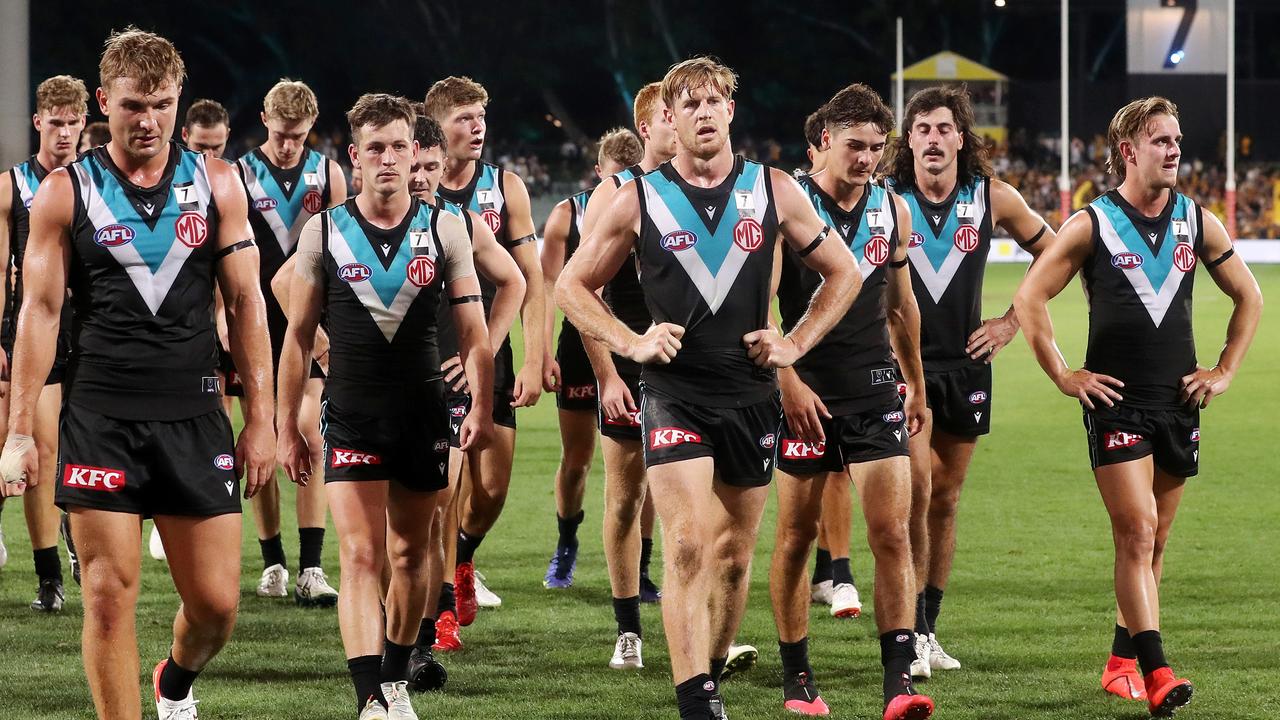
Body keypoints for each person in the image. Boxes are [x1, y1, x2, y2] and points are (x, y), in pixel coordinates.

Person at [557, 57, 860, 720]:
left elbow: (845, 273)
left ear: (730, 111)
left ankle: (710, 667)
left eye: (712, 101)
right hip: (673, 393)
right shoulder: (639, 195)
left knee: (731, 557)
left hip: (751, 397)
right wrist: (630, 344)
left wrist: (794, 344)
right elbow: (570, 286)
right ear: (668, 116)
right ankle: (697, 700)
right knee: (689, 541)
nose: (700, 113)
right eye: (686, 103)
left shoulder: (773, 189)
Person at [0, 28, 274, 720]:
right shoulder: (66, 192)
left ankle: (174, 680)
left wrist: (263, 422)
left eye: (159, 104)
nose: (147, 120)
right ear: (103, 103)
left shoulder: (217, 183)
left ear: (178, 100)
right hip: (100, 418)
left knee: (215, 607)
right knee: (106, 595)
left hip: (196, 415)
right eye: (131, 106)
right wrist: (19, 433)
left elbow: (246, 304)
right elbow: (38, 311)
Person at [1013, 96, 1261, 717]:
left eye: (1177, 140)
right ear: (1128, 150)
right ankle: (1158, 671)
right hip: (1116, 404)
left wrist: (1225, 370)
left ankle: (1121, 660)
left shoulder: (1197, 221)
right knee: (1137, 530)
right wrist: (1066, 376)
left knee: (1157, 542)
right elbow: (1031, 299)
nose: (1175, 150)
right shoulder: (1090, 223)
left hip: (1178, 402)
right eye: (1162, 140)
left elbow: (1249, 296)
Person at [276, 93, 493, 720]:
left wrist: (477, 404)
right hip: (351, 414)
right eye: (376, 149)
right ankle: (370, 695)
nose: (390, 159)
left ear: (415, 152)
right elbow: (296, 338)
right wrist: (287, 424)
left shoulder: (445, 227)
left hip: (425, 416)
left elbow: (475, 334)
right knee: (361, 555)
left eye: (400, 146)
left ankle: (395, 676)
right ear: (356, 157)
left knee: (410, 554)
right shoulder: (323, 231)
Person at [769, 83, 933, 720]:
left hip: (872, 388)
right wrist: (785, 379)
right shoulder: (786, 205)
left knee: (891, 532)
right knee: (795, 537)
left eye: (876, 147)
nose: (867, 158)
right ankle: (797, 676)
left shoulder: (893, 209)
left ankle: (898, 681)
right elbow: (761, 301)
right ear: (820, 146)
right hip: (802, 389)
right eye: (854, 146)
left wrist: (913, 379)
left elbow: (900, 302)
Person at [884, 85, 1053, 676]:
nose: (933, 138)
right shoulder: (885, 200)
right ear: (909, 140)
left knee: (947, 500)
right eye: (923, 129)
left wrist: (1010, 322)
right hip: (904, 372)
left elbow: (1056, 253)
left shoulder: (992, 198)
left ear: (962, 137)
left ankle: (928, 626)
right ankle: (908, 633)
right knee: (918, 493)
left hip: (965, 366)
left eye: (944, 128)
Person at [400, 111, 523, 678]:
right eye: (414, 165)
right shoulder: (350, 223)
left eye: (431, 166)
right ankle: (406, 631)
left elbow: (517, 280)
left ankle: (426, 627)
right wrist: (328, 352)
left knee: (444, 508)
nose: (422, 176)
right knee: (386, 530)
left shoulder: (459, 223)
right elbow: (291, 293)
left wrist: (485, 354)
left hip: (444, 387)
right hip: (376, 390)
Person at [426, 75, 545, 624]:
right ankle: (443, 608)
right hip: (432, 359)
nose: (477, 129)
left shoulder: (505, 188)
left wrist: (532, 355)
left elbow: (529, 278)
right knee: (443, 489)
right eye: (464, 119)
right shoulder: (411, 182)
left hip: (486, 353)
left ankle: (463, 560)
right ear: (436, 125)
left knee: (492, 489)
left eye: (481, 118)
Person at [573, 81, 675, 669]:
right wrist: (609, 374)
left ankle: (701, 621)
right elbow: (585, 294)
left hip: (693, 368)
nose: (680, 122)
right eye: (669, 115)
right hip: (631, 363)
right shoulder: (615, 193)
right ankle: (628, 626)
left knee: (697, 498)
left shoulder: (703, 184)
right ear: (647, 130)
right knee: (625, 496)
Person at [238, 79, 346, 605]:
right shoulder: (238, 174)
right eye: (281, 135)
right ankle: (272, 562)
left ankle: (311, 566)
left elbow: (347, 247)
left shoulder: (328, 172)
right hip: (255, 323)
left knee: (310, 434)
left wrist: (335, 330)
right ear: (264, 119)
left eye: (298, 136)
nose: (287, 145)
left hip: (310, 324)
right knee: (260, 438)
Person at [539, 126, 642, 590]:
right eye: (612, 178)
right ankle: (566, 545)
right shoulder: (567, 214)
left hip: (635, 345)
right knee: (577, 457)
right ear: (598, 173)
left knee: (646, 465)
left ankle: (640, 568)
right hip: (581, 344)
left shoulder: (652, 199)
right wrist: (541, 352)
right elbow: (550, 287)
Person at [0, 74, 86, 610]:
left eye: (73, 124)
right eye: (55, 122)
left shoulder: (94, 181)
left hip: (93, 328)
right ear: (38, 122)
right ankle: (49, 577)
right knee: (41, 447)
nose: (64, 133)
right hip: (33, 326)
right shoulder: (12, 186)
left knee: (86, 447)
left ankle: (82, 535)